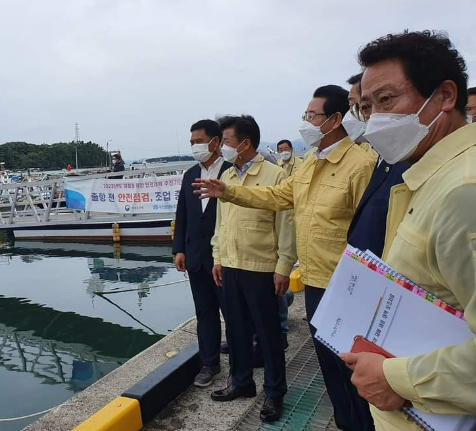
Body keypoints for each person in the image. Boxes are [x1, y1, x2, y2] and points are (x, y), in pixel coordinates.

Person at [194, 85, 376, 431]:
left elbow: (368, 232)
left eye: (312, 116)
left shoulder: (360, 165)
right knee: (329, 365)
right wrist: (228, 191)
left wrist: (282, 266)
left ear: (335, 119)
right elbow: (279, 198)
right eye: (305, 115)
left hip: (347, 282)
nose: (305, 122)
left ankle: (357, 422)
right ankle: (345, 421)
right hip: (315, 280)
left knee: (352, 366)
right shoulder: (310, 164)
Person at [339, 30, 476, 430]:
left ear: (446, 96)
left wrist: (397, 378)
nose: (376, 119)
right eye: (367, 107)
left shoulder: (464, 191)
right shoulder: (427, 177)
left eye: (386, 100)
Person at [208, 115, 295, 423]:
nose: (222, 148)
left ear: (245, 143)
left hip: (261, 268)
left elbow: (286, 224)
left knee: (269, 334)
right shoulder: (227, 176)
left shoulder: (275, 176)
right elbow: (222, 223)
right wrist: (218, 257)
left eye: (227, 141)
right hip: (230, 265)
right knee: (236, 329)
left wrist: (284, 266)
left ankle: (274, 392)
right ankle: (241, 382)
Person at [173, 119, 232, 388]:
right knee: (205, 313)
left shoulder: (232, 173)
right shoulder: (189, 175)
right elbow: (182, 215)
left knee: (234, 314)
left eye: (199, 141)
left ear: (216, 142)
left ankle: (240, 364)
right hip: (196, 259)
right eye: (192, 143)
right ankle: (209, 364)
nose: (195, 147)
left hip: (227, 259)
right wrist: (179, 249)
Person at [347, 73, 409, 259]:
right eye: (362, 108)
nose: (371, 114)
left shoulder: (407, 160)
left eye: (384, 100)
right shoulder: (383, 158)